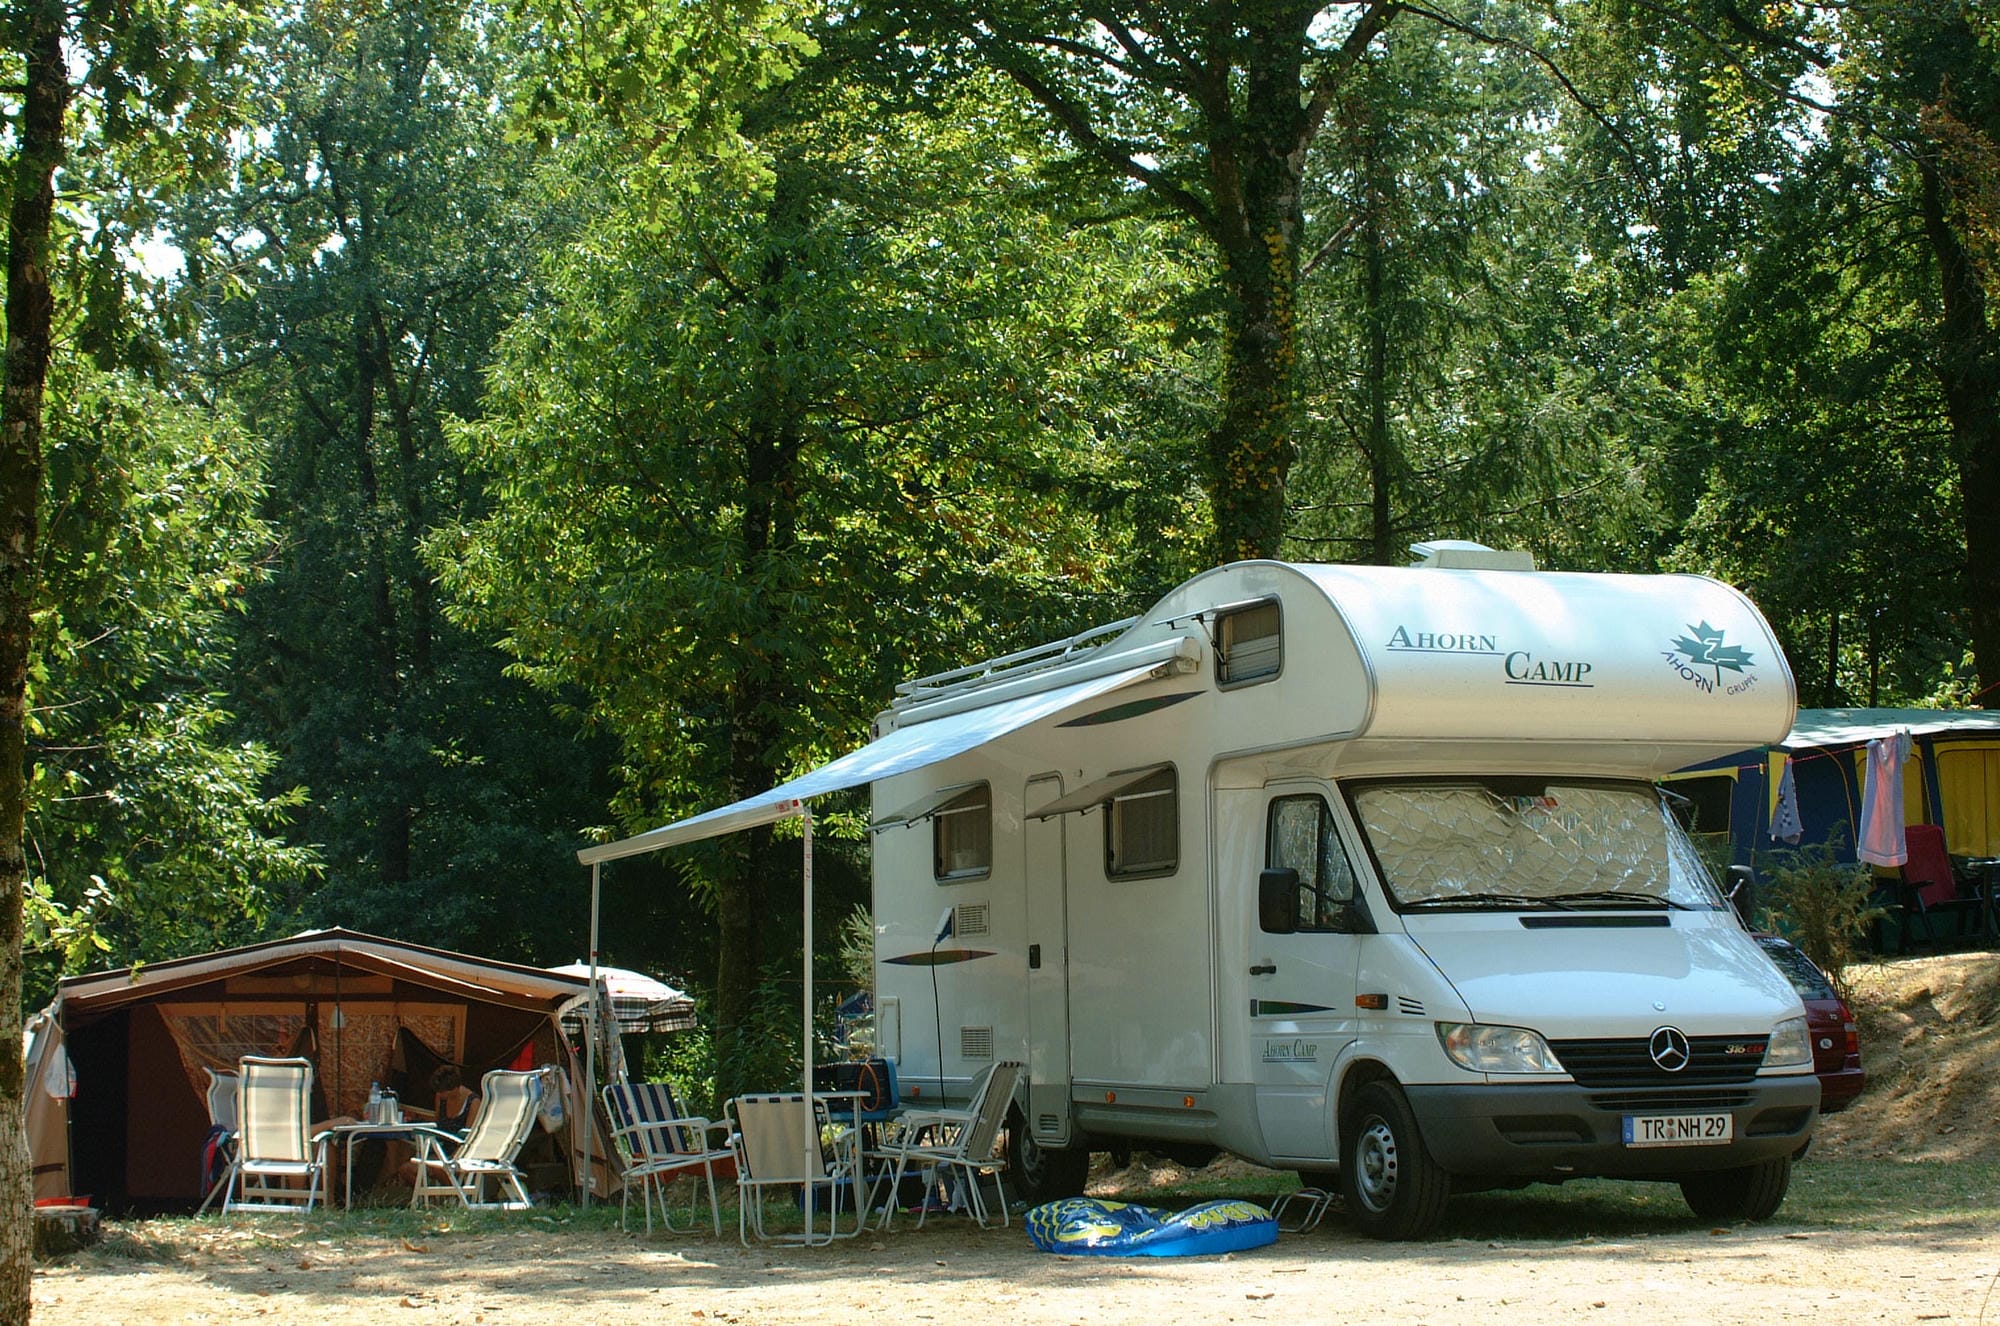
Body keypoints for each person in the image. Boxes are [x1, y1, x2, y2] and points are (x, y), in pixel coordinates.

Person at [431, 1063, 480, 1136]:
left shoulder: (473, 1102)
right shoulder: (440, 1096)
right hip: (439, 1141)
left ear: (455, 1088)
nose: (440, 1094)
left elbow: (467, 1135)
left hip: (459, 1144)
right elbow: (436, 1122)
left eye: (443, 1092)